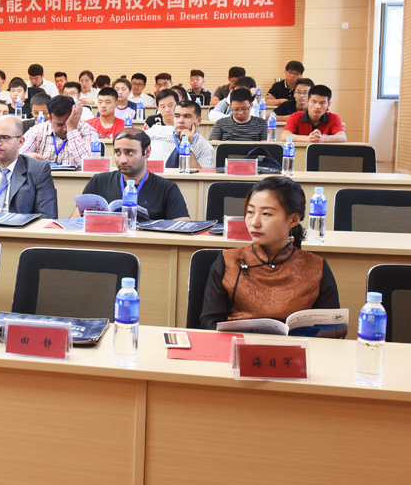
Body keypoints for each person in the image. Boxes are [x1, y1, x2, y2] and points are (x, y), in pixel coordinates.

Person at [199, 176, 339, 330]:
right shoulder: (228, 262)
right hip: (238, 343)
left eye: (266, 214)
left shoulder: (317, 268)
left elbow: (332, 331)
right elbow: (209, 324)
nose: (254, 222)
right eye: (250, 212)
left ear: (293, 220)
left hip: (295, 345)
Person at [71, 129, 190, 220]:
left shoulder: (167, 189)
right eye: (117, 152)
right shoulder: (98, 181)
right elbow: (74, 222)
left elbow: (182, 227)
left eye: (130, 152)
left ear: (147, 152)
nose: (122, 160)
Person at [21, 95, 99, 166]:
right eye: (60, 124)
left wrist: (72, 128)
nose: (65, 129)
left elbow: (91, 165)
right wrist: (29, 157)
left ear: (74, 116)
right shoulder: (38, 130)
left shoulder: (88, 131)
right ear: (50, 119)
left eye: (68, 123)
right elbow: (18, 158)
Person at [146, 100, 213, 169]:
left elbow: (200, 174)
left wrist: (187, 145)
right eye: (177, 116)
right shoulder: (155, 130)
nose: (180, 121)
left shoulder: (205, 147)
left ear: (198, 121)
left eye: (187, 116)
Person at [282, 85, 347, 142]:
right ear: (307, 102)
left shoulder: (333, 118)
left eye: (322, 103)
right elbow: (284, 136)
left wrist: (323, 138)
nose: (317, 106)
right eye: (314, 102)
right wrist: (308, 139)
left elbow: (342, 137)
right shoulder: (295, 116)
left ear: (328, 105)